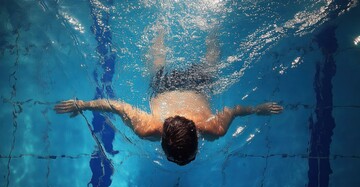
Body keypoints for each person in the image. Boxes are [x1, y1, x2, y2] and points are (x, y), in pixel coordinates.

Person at [54, 28, 283, 166]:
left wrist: (256, 109)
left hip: (195, 88)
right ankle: (202, 29)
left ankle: (166, 28)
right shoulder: (148, 129)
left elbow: (233, 110)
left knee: (208, 63)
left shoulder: (212, 129)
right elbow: (116, 106)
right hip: (167, 88)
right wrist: (82, 105)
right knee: (159, 66)